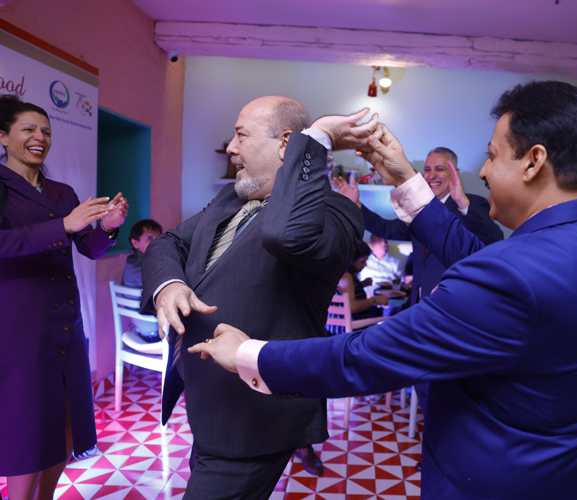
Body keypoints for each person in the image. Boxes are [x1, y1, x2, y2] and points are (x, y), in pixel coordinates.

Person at [190, 81, 577, 500]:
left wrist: (251, 354)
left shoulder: (515, 274)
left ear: (534, 161)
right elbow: (479, 259)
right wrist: (405, 178)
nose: (483, 171)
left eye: (492, 155)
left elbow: (369, 356)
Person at [139, 96, 371, 499]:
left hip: (254, 416)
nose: (231, 148)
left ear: (286, 144)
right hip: (208, 404)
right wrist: (170, 284)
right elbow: (168, 242)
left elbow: (286, 236)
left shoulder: (335, 212)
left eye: (241, 135)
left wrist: (316, 140)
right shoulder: (231, 199)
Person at [0, 95, 128, 500]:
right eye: (29, 129)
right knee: (28, 428)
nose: (40, 137)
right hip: (20, 327)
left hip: (66, 325)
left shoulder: (62, 191)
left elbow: (89, 248)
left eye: (46, 131)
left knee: (68, 421)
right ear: (3, 136)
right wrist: (63, 226)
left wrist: (107, 227)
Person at [333, 145, 503, 307]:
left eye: (439, 169)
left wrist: (462, 203)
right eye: (427, 170)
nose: (432, 175)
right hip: (420, 303)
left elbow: (493, 239)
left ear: (454, 173)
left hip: (453, 303)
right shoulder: (419, 212)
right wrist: (357, 205)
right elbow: (385, 228)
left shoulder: (471, 204)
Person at [326, 241, 391, 335]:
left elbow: (344, 293)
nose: (365, 265)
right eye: (362, 261)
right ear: (350, 259)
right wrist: (375, 300)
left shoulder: (335, 273)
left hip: (333, 328)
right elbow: (351, 307)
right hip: (349, 331)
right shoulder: (346, 276)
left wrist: (361, 284)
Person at [122, 218, 163, 343]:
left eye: (159, 238)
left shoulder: (131, 263)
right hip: (156, 332)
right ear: (135, 243)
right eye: (149, 238)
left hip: (140, 328)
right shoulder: (148, 266)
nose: (156, 242)